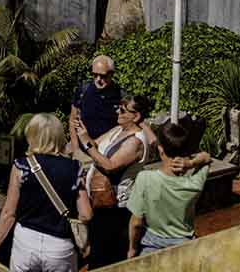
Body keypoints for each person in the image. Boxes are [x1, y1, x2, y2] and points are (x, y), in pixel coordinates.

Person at [0, 113, 92, 271]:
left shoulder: (21, 166)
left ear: (32, 136)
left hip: (25, 242)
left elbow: (9, 212)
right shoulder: (75, 168)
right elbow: (86, 214)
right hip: (59, 247)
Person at [75, 94, 154, 269]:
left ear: (136, 116)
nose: (118, 111)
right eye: (119, 107)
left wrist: (87, 144)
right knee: (96, 252)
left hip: (116, 209)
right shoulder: (117, 130)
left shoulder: (136, 142)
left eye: (123, 110)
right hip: (100, 204)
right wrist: (83, 134)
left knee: (106, 259)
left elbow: (110, 165)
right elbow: (94, 144)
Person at [126, 121, 212, 257]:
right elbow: (207, 157)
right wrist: (190, 163)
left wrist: (132, 249)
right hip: (184, 246)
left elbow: (136, 223)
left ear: (160, 151)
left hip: (151, 246)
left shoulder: (145, 178)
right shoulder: (195, 183)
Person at [69, 56, 123, 148]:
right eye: (95, 75)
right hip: (84, 147)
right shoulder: (83, 90)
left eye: (103, 76)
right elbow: (72, 120)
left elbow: (131, 121)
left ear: (111, 74)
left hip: (109, 148)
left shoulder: (120, 95)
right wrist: (75, 149)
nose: (98, 79)